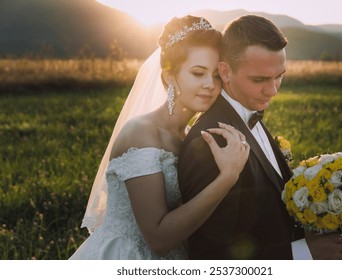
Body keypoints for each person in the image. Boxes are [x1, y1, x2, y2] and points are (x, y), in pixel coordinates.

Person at [69, 15, 250, 260]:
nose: (210, 84)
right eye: (198, 73)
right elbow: (158, 238)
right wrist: (227, 177)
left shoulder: (188, 135)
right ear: (169, 76)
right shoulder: (141, 133)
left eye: (216, 75)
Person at [178, 15, 342, 260]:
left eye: (279, 75)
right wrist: (301, 253)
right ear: (225, 71)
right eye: (259, 79)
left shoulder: (248, 112)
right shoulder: (212, 143)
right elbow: (209, 257)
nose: (273, 90)